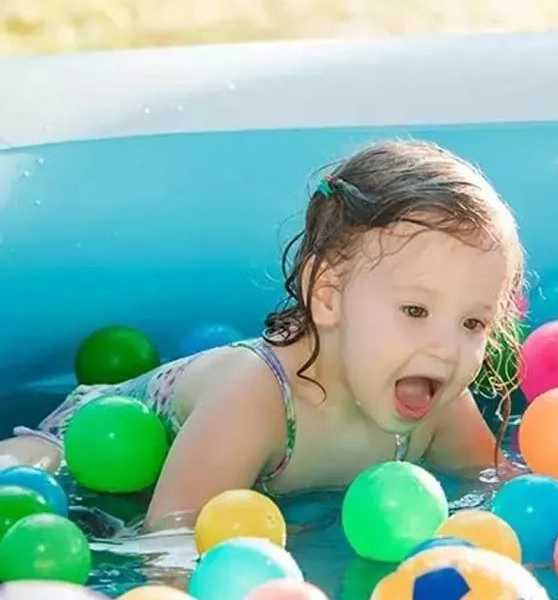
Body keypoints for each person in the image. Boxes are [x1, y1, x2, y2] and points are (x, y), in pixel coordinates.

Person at [0, 138, 525, 529]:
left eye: (473, 323)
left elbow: (497, 488)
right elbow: (171, 536)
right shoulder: (260, 397)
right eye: (415, 309)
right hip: (85, 440)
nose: (445, 347)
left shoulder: (435, 404)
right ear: (326, 294)